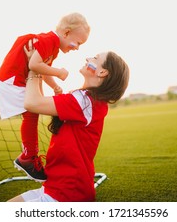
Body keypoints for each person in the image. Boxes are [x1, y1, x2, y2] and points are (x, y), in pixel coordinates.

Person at [8, 50, 129, 202]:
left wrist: (34, 67)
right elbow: (38, 100)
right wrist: (39, 67)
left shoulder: (85, 102)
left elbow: (32, 103)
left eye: (95, 58)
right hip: (54, 186)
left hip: (68, 193)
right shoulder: (85, 99)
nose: (88, 56)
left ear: (102, 72)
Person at [0, 12, 90, 182]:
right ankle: (28, 158)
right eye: (78, 43)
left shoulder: (52, 46)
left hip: (17, 80)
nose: (77, 48)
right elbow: (34, 65)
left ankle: (29, 156)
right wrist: (59, 72)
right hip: (11, 80)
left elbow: (41, 69)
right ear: (66, 33)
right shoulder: (48, 40)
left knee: (34, 110)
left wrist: (54, 86)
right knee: (32, 112)